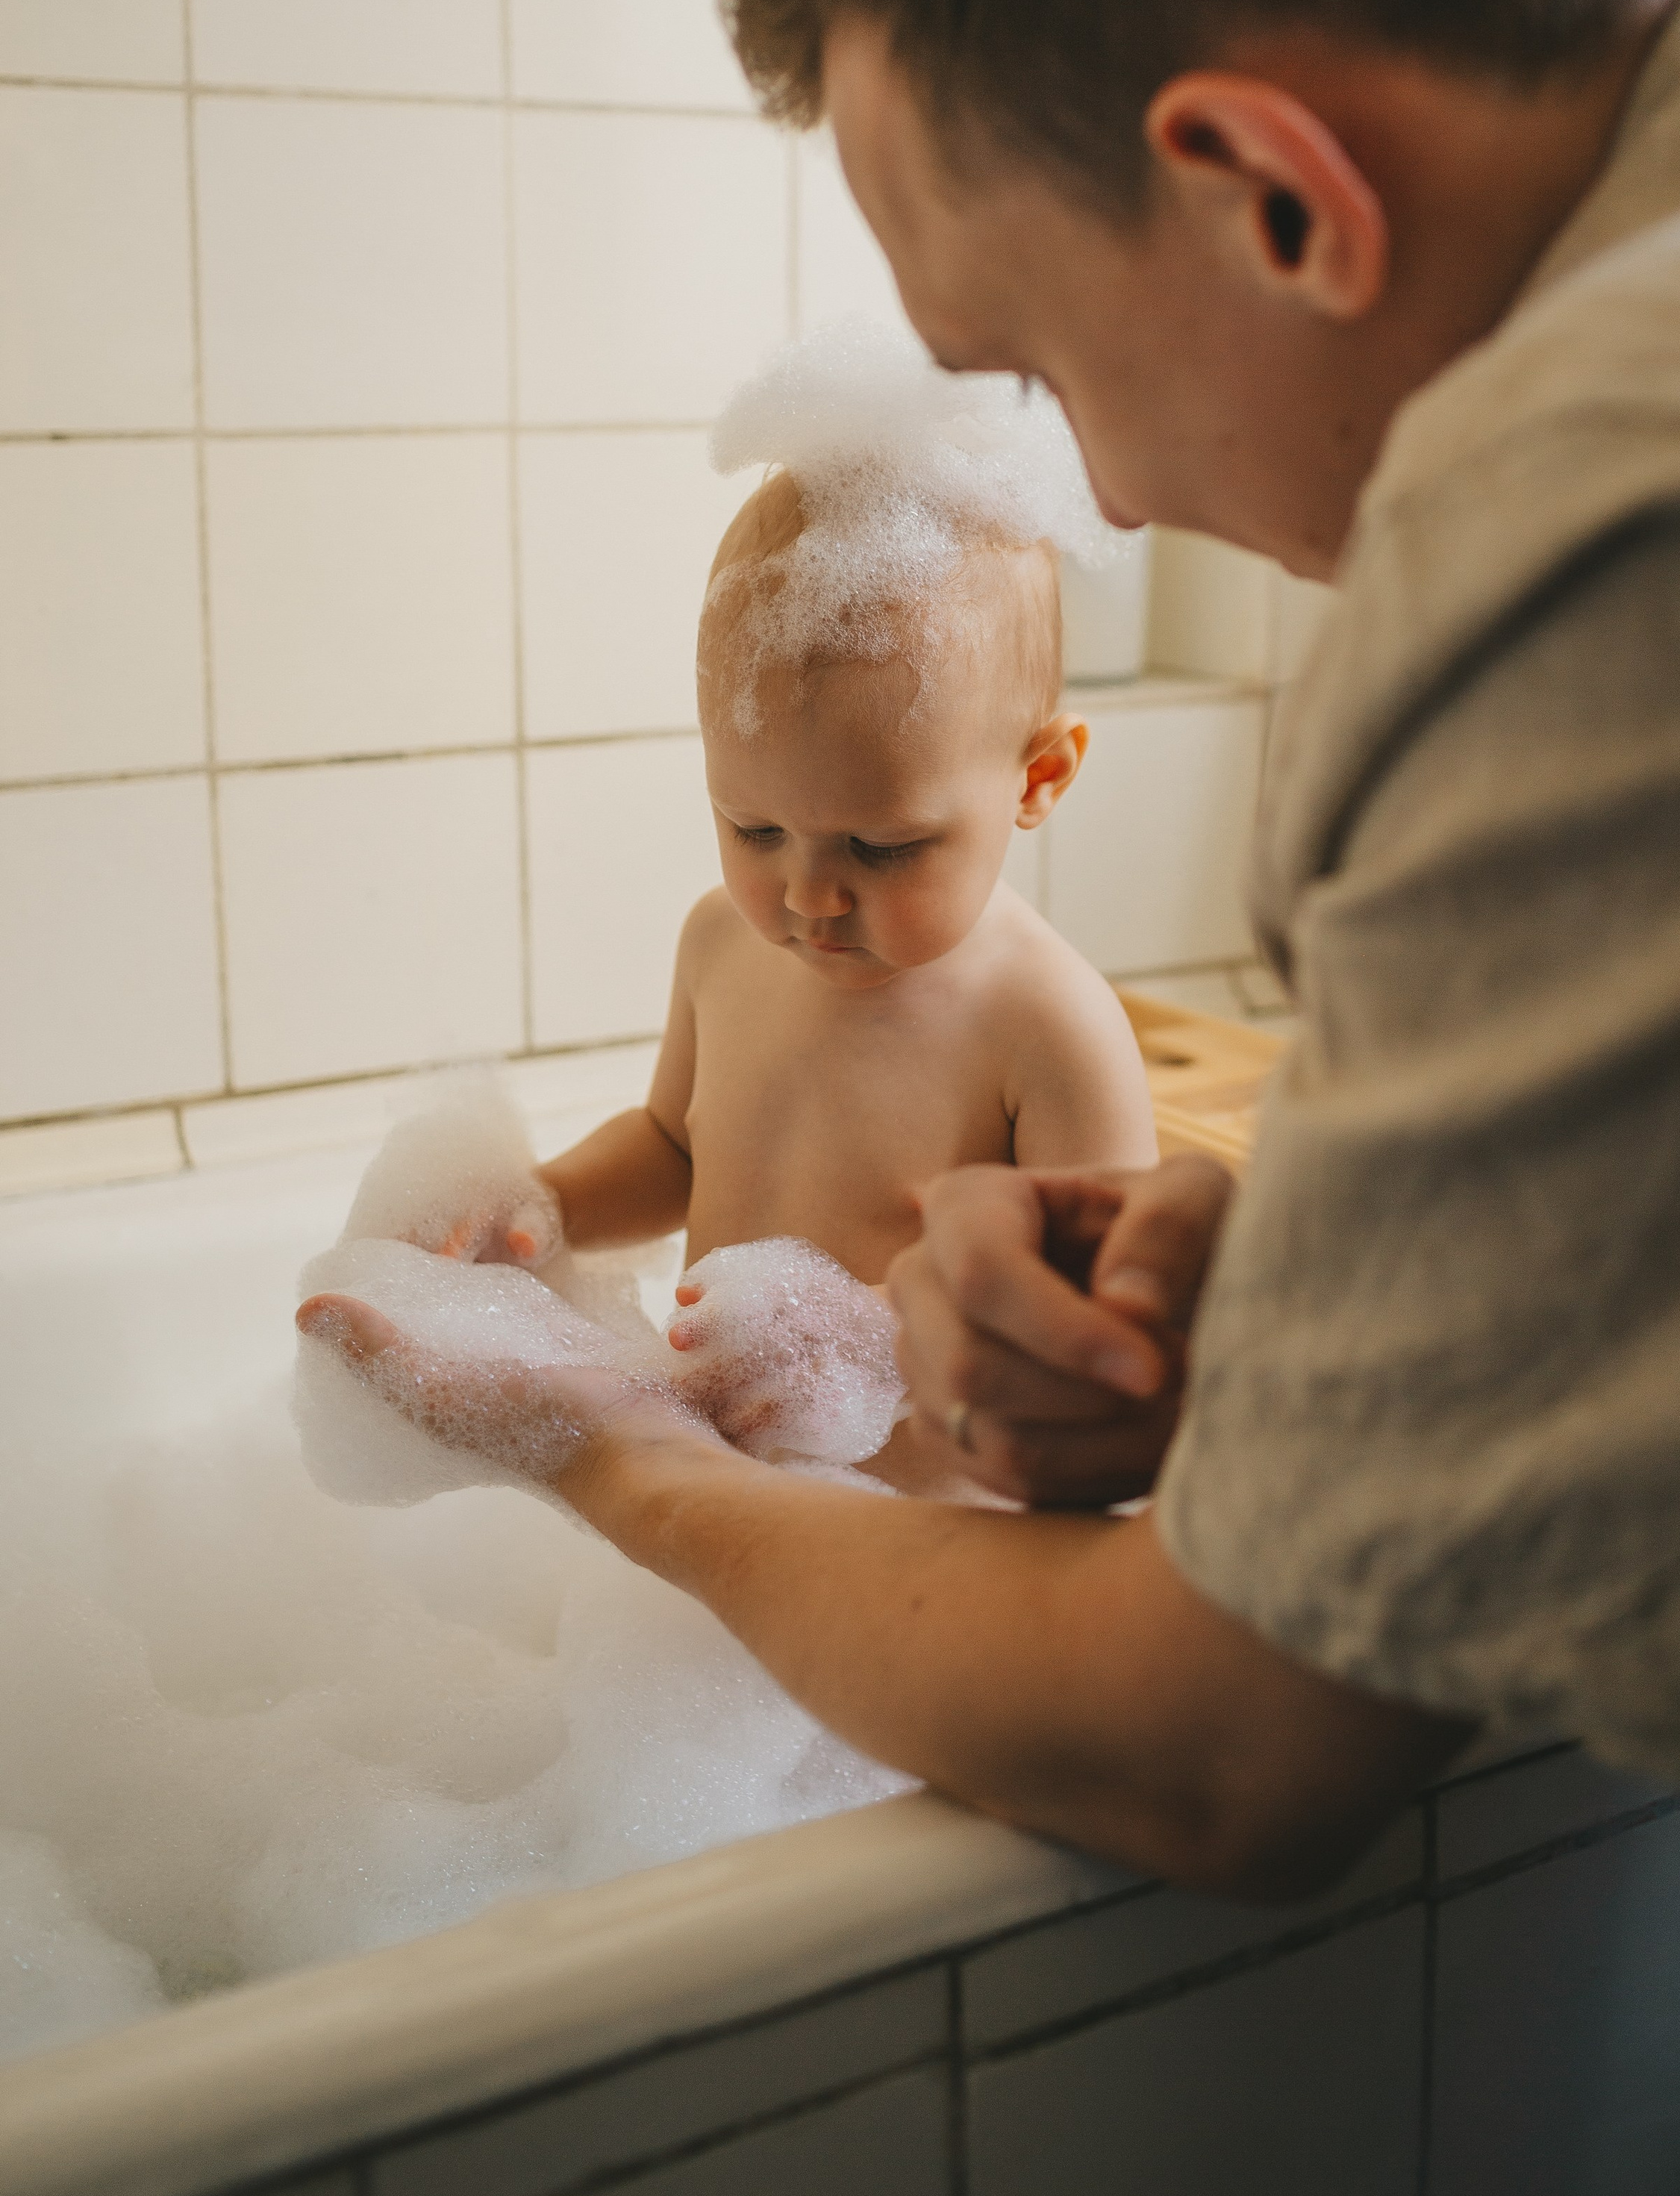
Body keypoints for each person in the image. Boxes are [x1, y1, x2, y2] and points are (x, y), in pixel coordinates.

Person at [302, 0, 1680, 2036]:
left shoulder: (1632, 526)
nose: (1116, 492)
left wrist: (593, 1442)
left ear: (1271, 190)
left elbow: (1224, 1756)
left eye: (1037, 373)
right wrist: (1316, 1299)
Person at [325, 333, 1157, 1487]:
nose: (808, 894)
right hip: (727, 1522)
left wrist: (873, 1340)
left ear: (1037, 780)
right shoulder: (722, 943)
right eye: (754, 829)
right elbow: (675, 1146)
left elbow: (1096, 1331)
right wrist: (548, 1206)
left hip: (917, 1542)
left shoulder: (1048, 1029)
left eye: (880, 845)